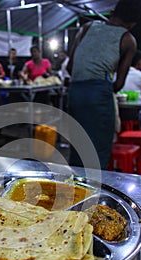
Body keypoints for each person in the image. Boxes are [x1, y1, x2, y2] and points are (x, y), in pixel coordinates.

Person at [66, 0, 141, 170]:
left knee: (78, 147)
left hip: (75, 92)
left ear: (112, 11)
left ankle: (73, 190)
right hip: (98, 95)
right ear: (133, 24)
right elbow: (119, 84)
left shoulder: (87, 28)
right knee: (98, 150)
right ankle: (95, 193)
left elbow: (71, 67)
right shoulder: (128, 39)